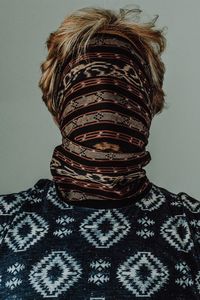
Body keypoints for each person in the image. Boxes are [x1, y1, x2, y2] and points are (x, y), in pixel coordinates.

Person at [0, 5, 199, 300]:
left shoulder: (192, 226)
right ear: (57, 109)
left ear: (151, 106)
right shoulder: (5, 221)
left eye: (125, 82)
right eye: (85, 83)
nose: (104, 99)